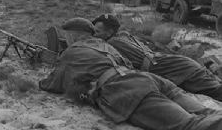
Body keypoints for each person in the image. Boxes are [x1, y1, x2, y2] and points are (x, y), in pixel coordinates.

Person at [40, 17, 222, 130]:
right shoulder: (107, 45)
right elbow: (126, 64)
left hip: (128, 91)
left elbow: (51, 84)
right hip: (150, 79)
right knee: (206, 112)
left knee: (189, 125)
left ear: (73, 36)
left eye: (68, 36)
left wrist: (51, 60)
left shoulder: (71, 53)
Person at [93, 14, 222, 101]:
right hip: (174, 64)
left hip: (175, 68)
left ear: (109, 32)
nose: (94, 35)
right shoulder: (123, 35)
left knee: (215, 91)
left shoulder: (112, 43)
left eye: (97, 32)